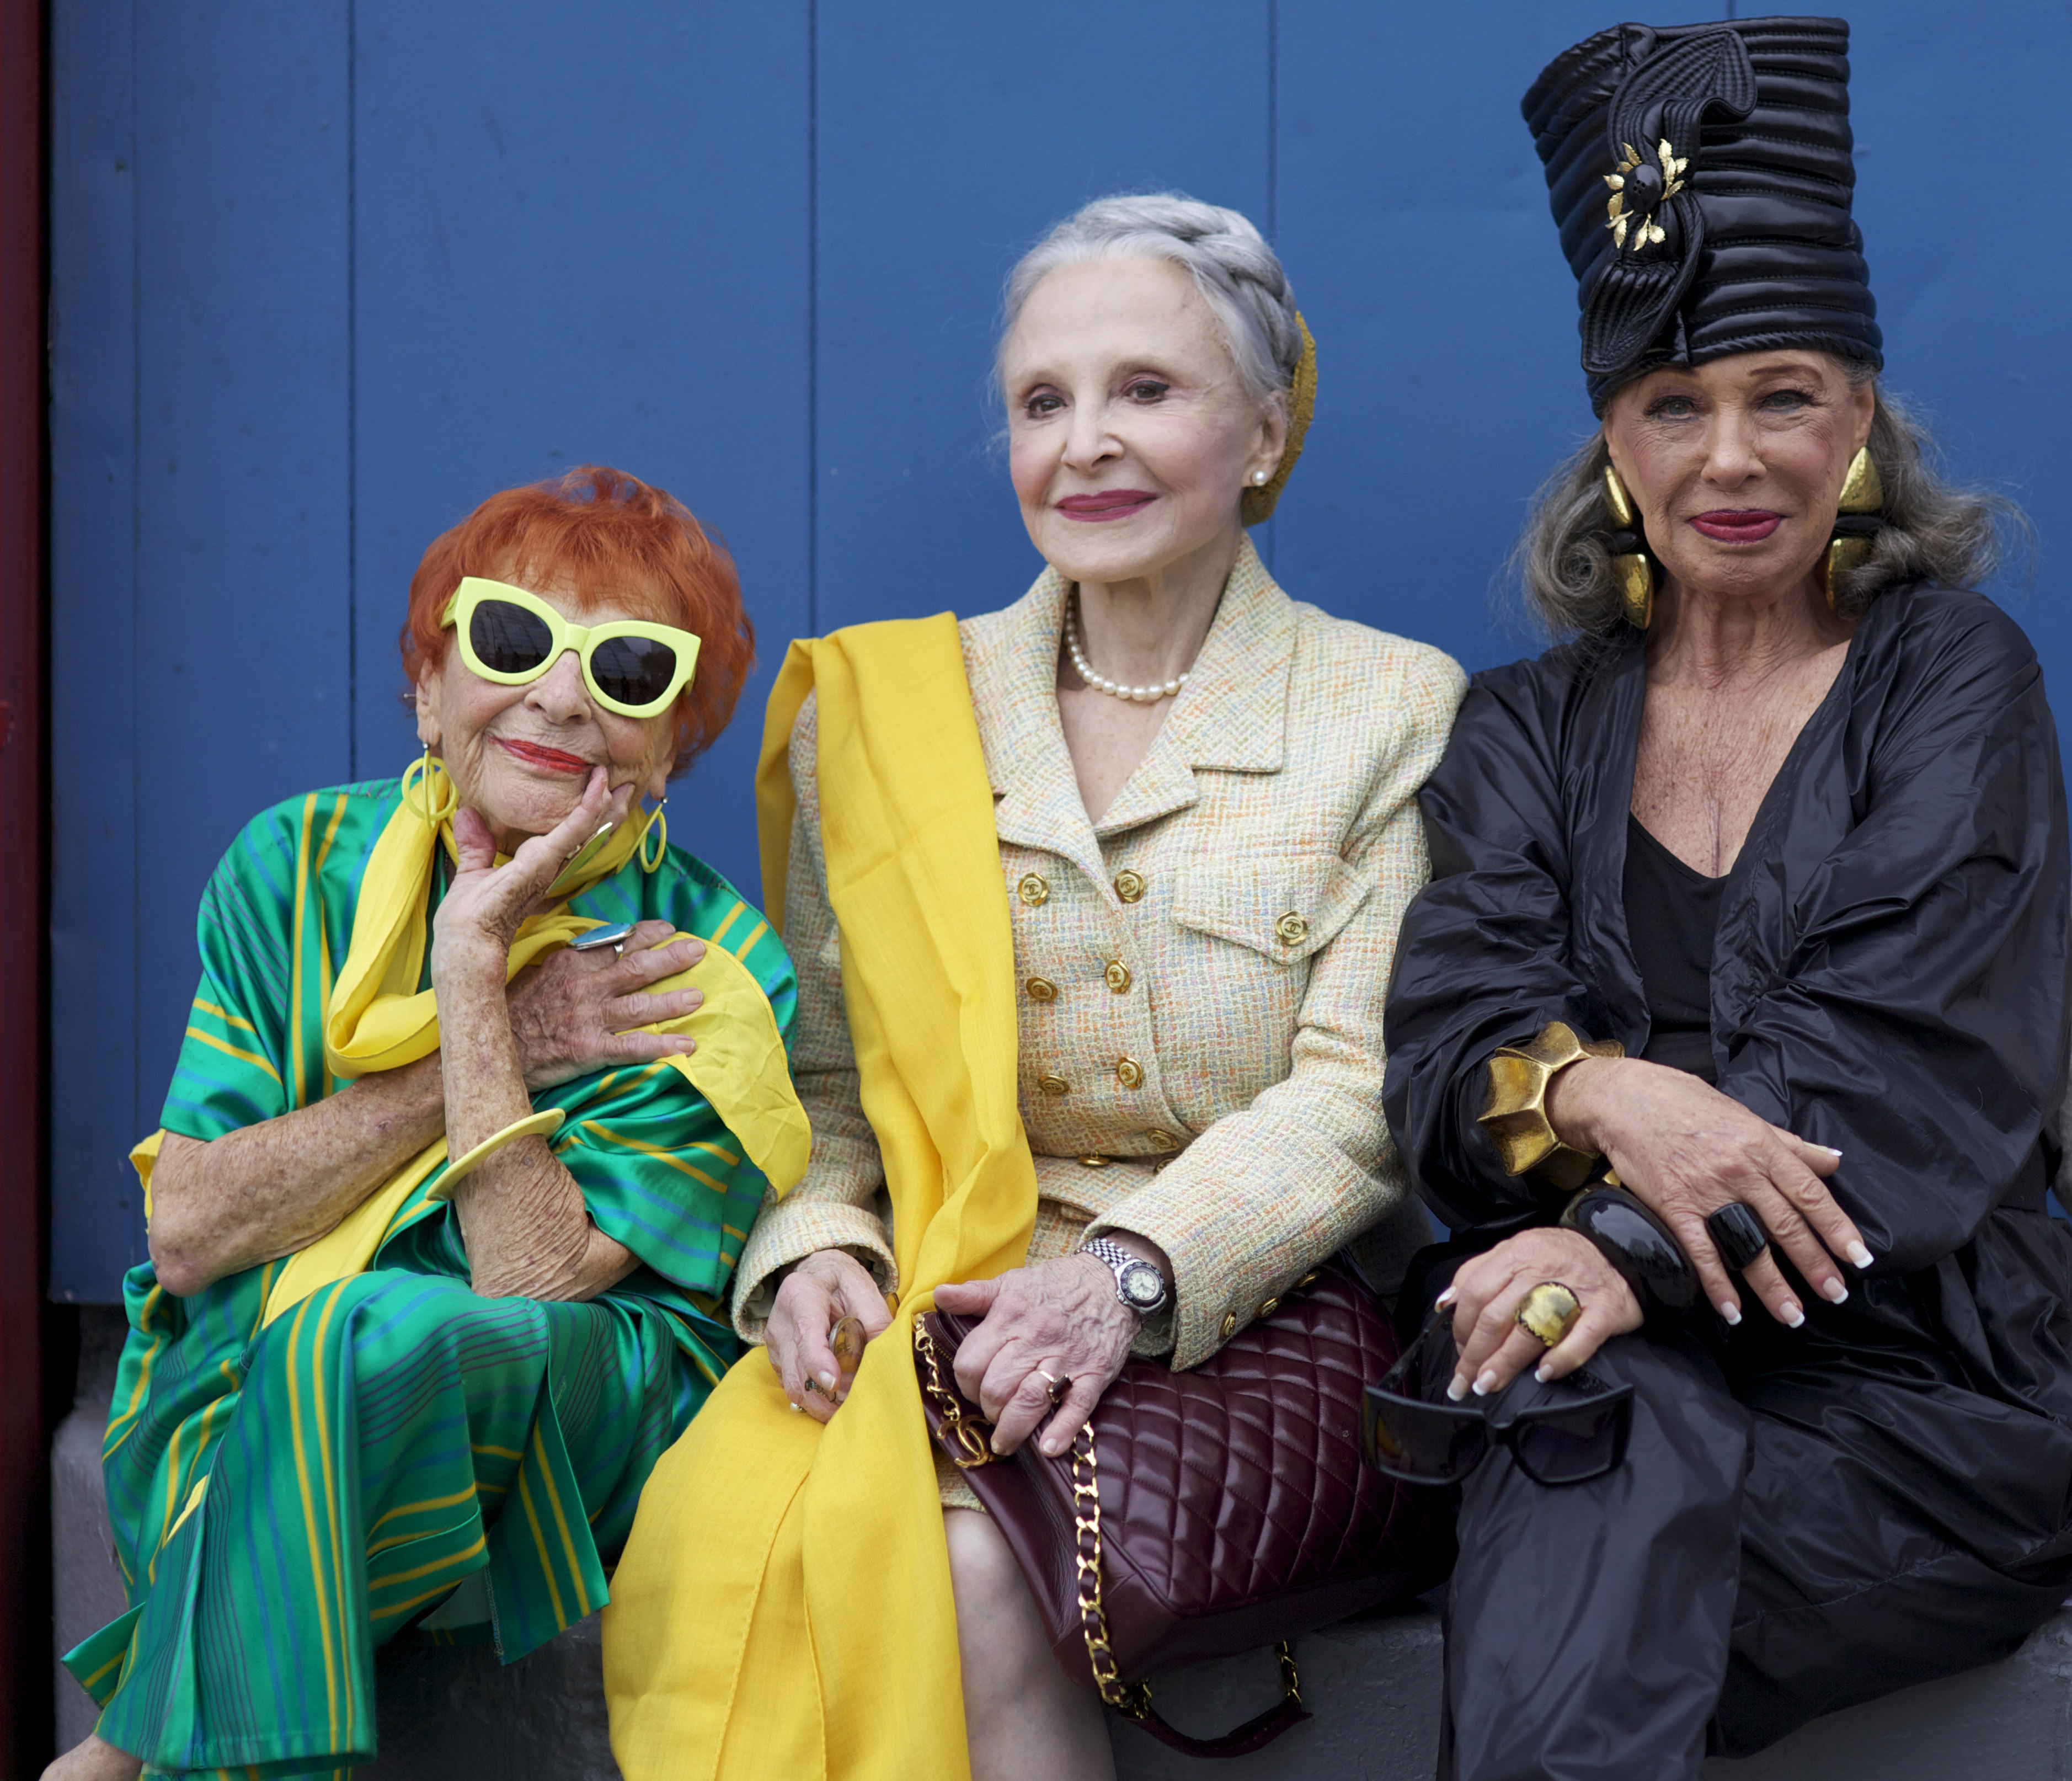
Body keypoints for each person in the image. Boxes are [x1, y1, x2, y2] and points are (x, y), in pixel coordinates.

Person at [604, 193, 1465, 1780]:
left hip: (1253, 1317)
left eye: (1147, 389)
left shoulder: (1386, 706)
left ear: (1265, 432)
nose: (1086, 445)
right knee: (729, 1541)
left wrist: (1122, 1283)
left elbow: (1361, 1098)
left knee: (963, 1573)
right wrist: (814, 1249)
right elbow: (826, 1085)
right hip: (936, 1303)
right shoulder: (884, 706)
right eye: (1042, 402)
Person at [1381, 18, 2072, 1780]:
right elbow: (1447, 1048)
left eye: (1784, 396)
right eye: (1672, 406)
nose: (1730, 458)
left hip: (1916, 1385)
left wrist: (1614, 1244)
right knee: (1588, 1434)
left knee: (1576, 1475)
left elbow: (1900, 1053)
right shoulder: (1520, 725)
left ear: (1861, 422)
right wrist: (1603, 1092)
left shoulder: (1951, 674)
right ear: (1613, 444)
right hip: (1586, 1343)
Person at [47, 466, 809, 1781]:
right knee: (324, 1354)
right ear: (428, 688)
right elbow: (187, 1232)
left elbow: (529, 1279)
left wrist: (467, 983)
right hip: (254, 1354)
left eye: (628, 668)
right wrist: (496, 1012)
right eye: (512, 639)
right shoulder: (294, 868)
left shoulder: (708, 969)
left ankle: (120, 1760)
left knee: (368, 1333)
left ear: (673, 745)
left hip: (562, 1406)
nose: (560, 698)